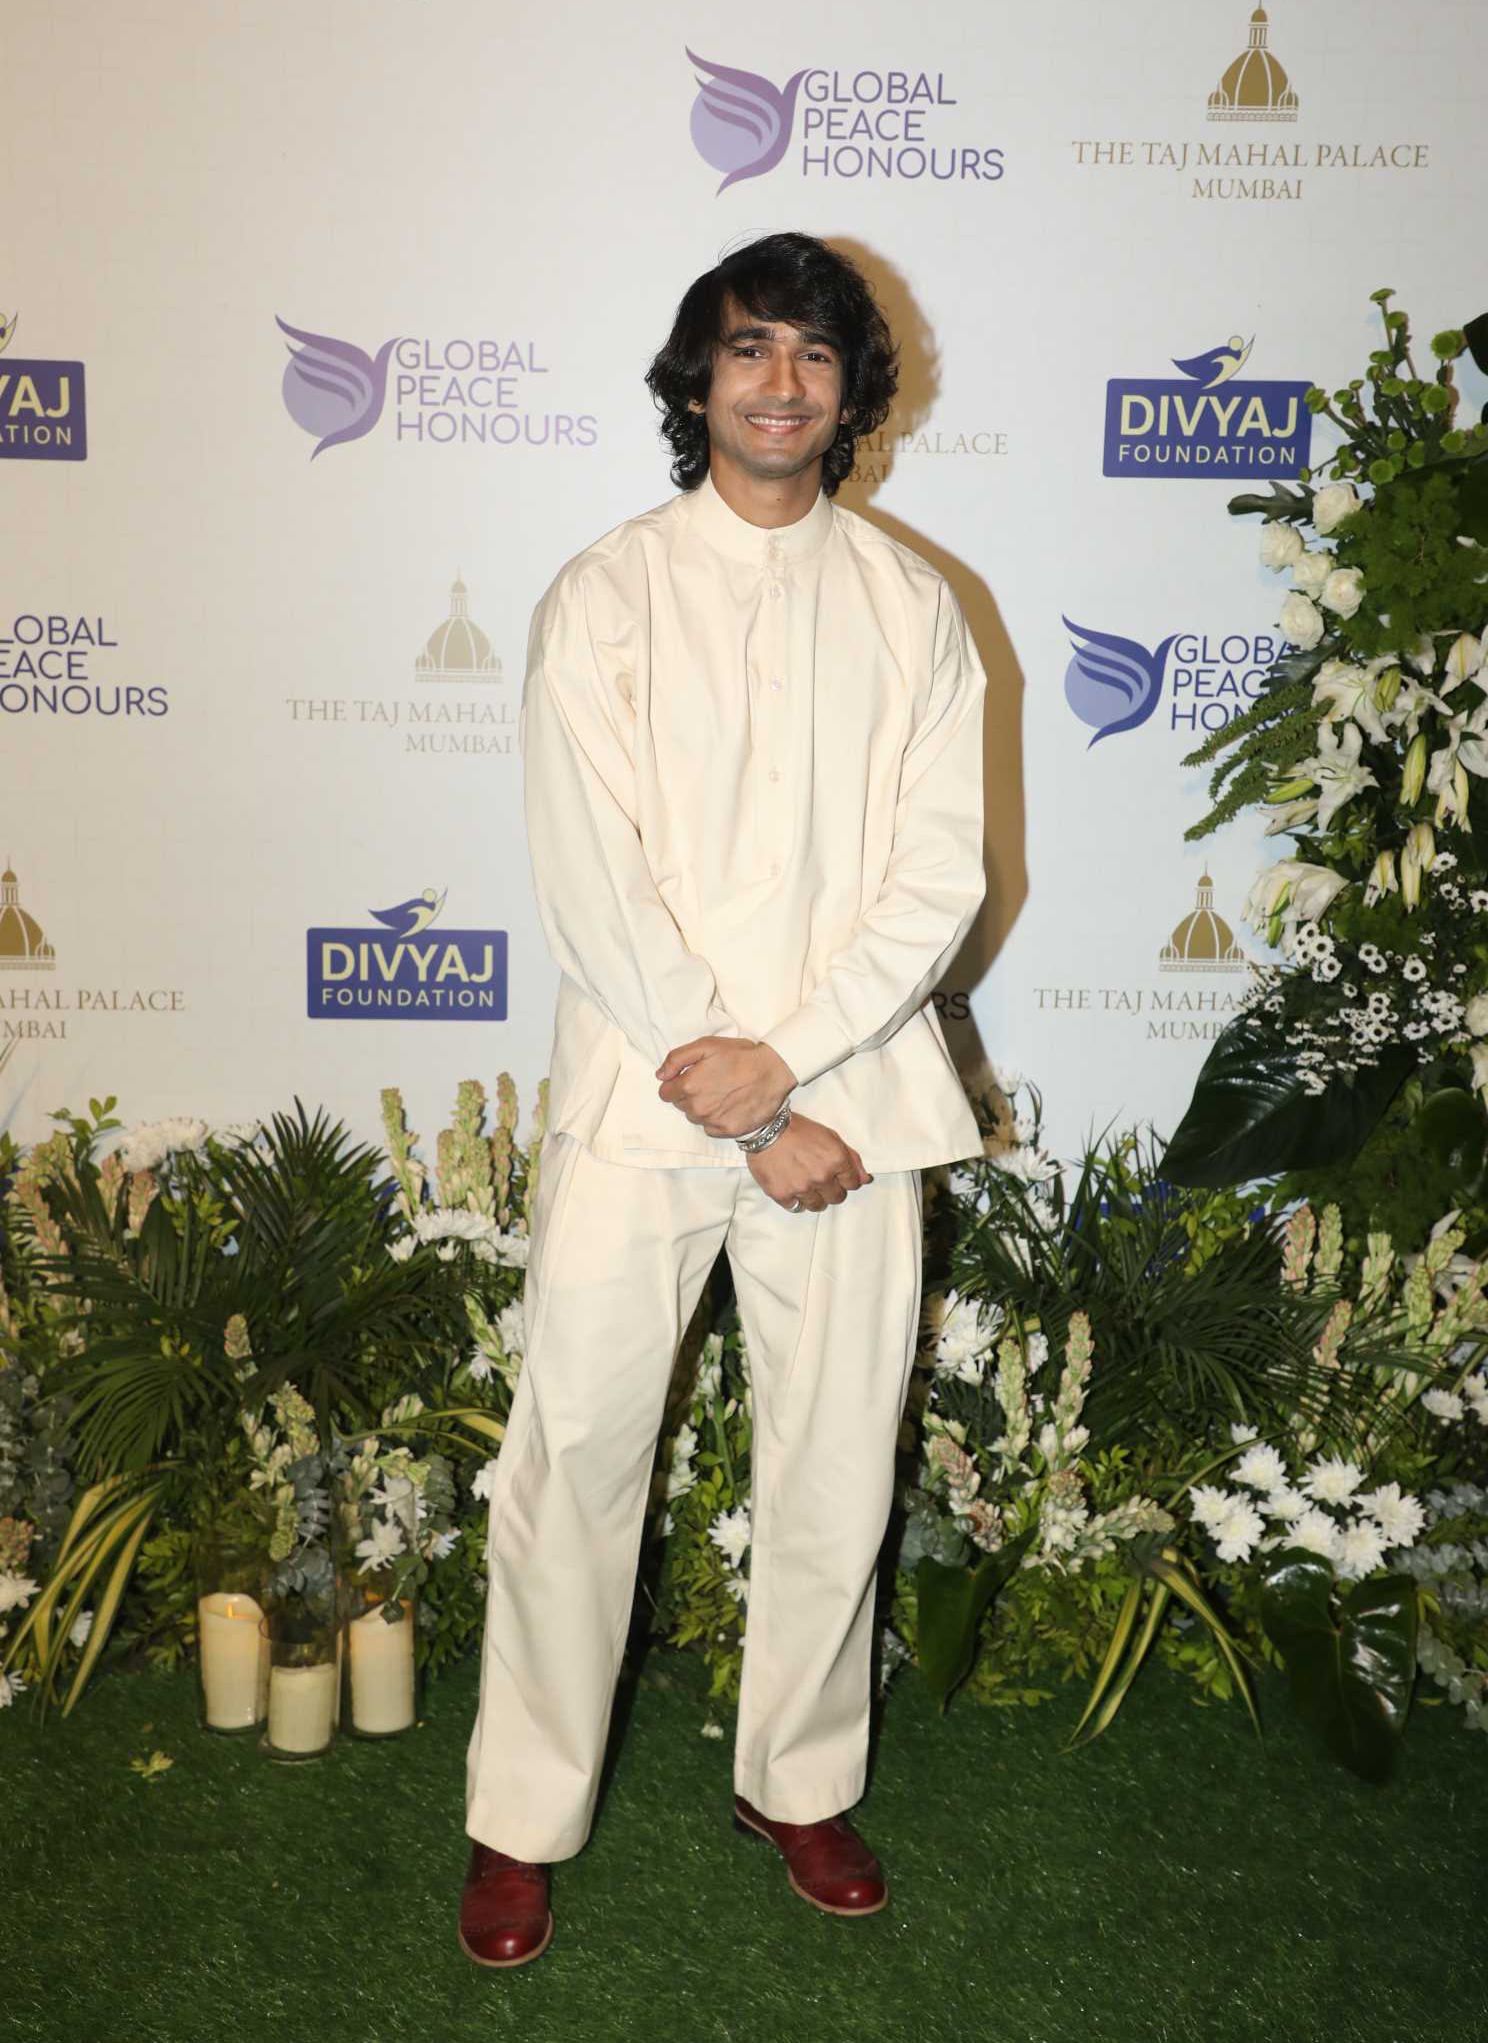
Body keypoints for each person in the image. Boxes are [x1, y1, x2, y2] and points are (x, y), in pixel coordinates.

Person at [458, 231, 988, 1967]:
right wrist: (747, 1096)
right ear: (698, 381)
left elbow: (938, 878)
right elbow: (591, 878)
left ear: (853, 392)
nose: (782, 384)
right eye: (751, 348)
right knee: (575, 1457)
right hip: (646, 1103)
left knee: (835, 1459)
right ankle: (521, 1818)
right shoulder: (605, 594)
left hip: (856, 1111)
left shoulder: (914, 608)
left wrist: (799, 1063)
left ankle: (799, 1782)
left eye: (816, 356)